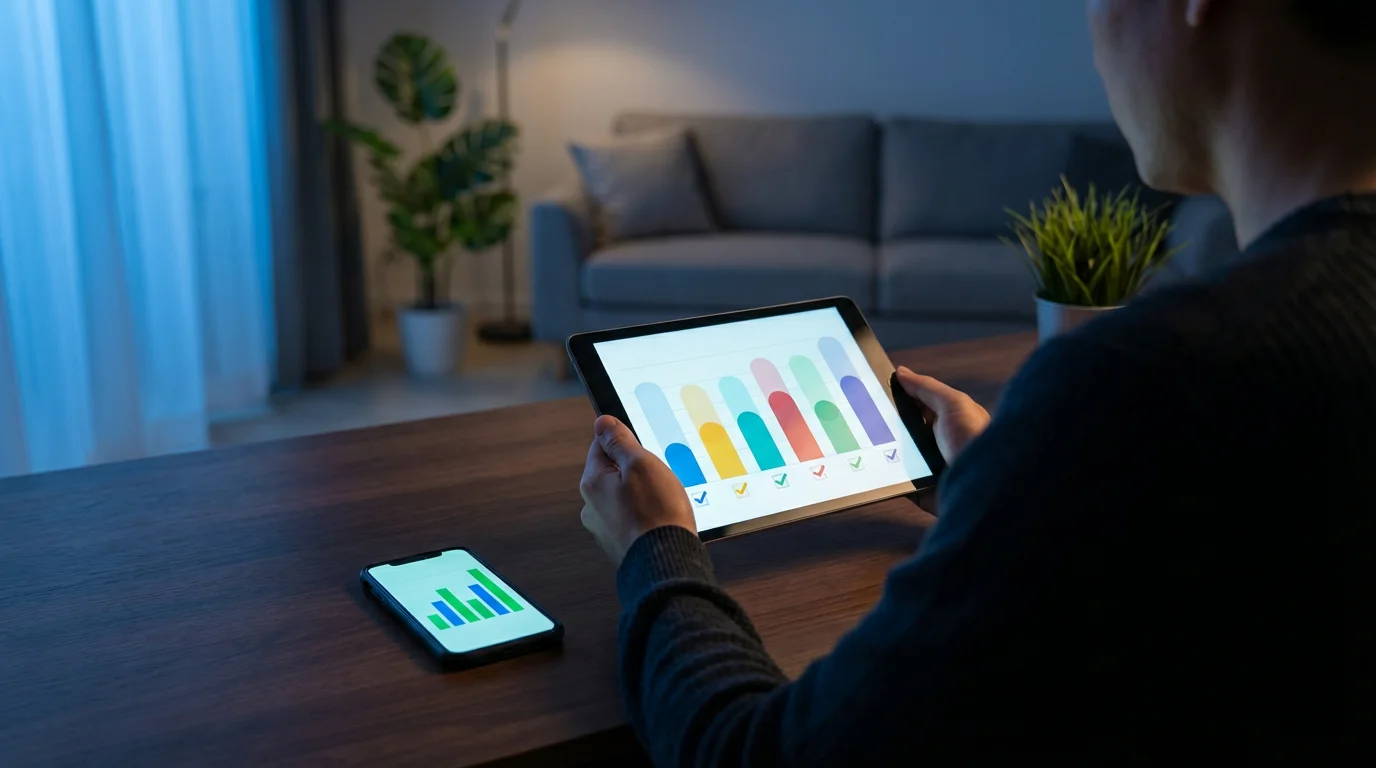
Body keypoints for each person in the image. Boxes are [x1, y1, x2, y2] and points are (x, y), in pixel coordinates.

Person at [579, 0, 1372, 762]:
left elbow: (755, 752)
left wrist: (657, 548)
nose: (1092, 34)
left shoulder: (1147, 384)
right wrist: (1018, 485)